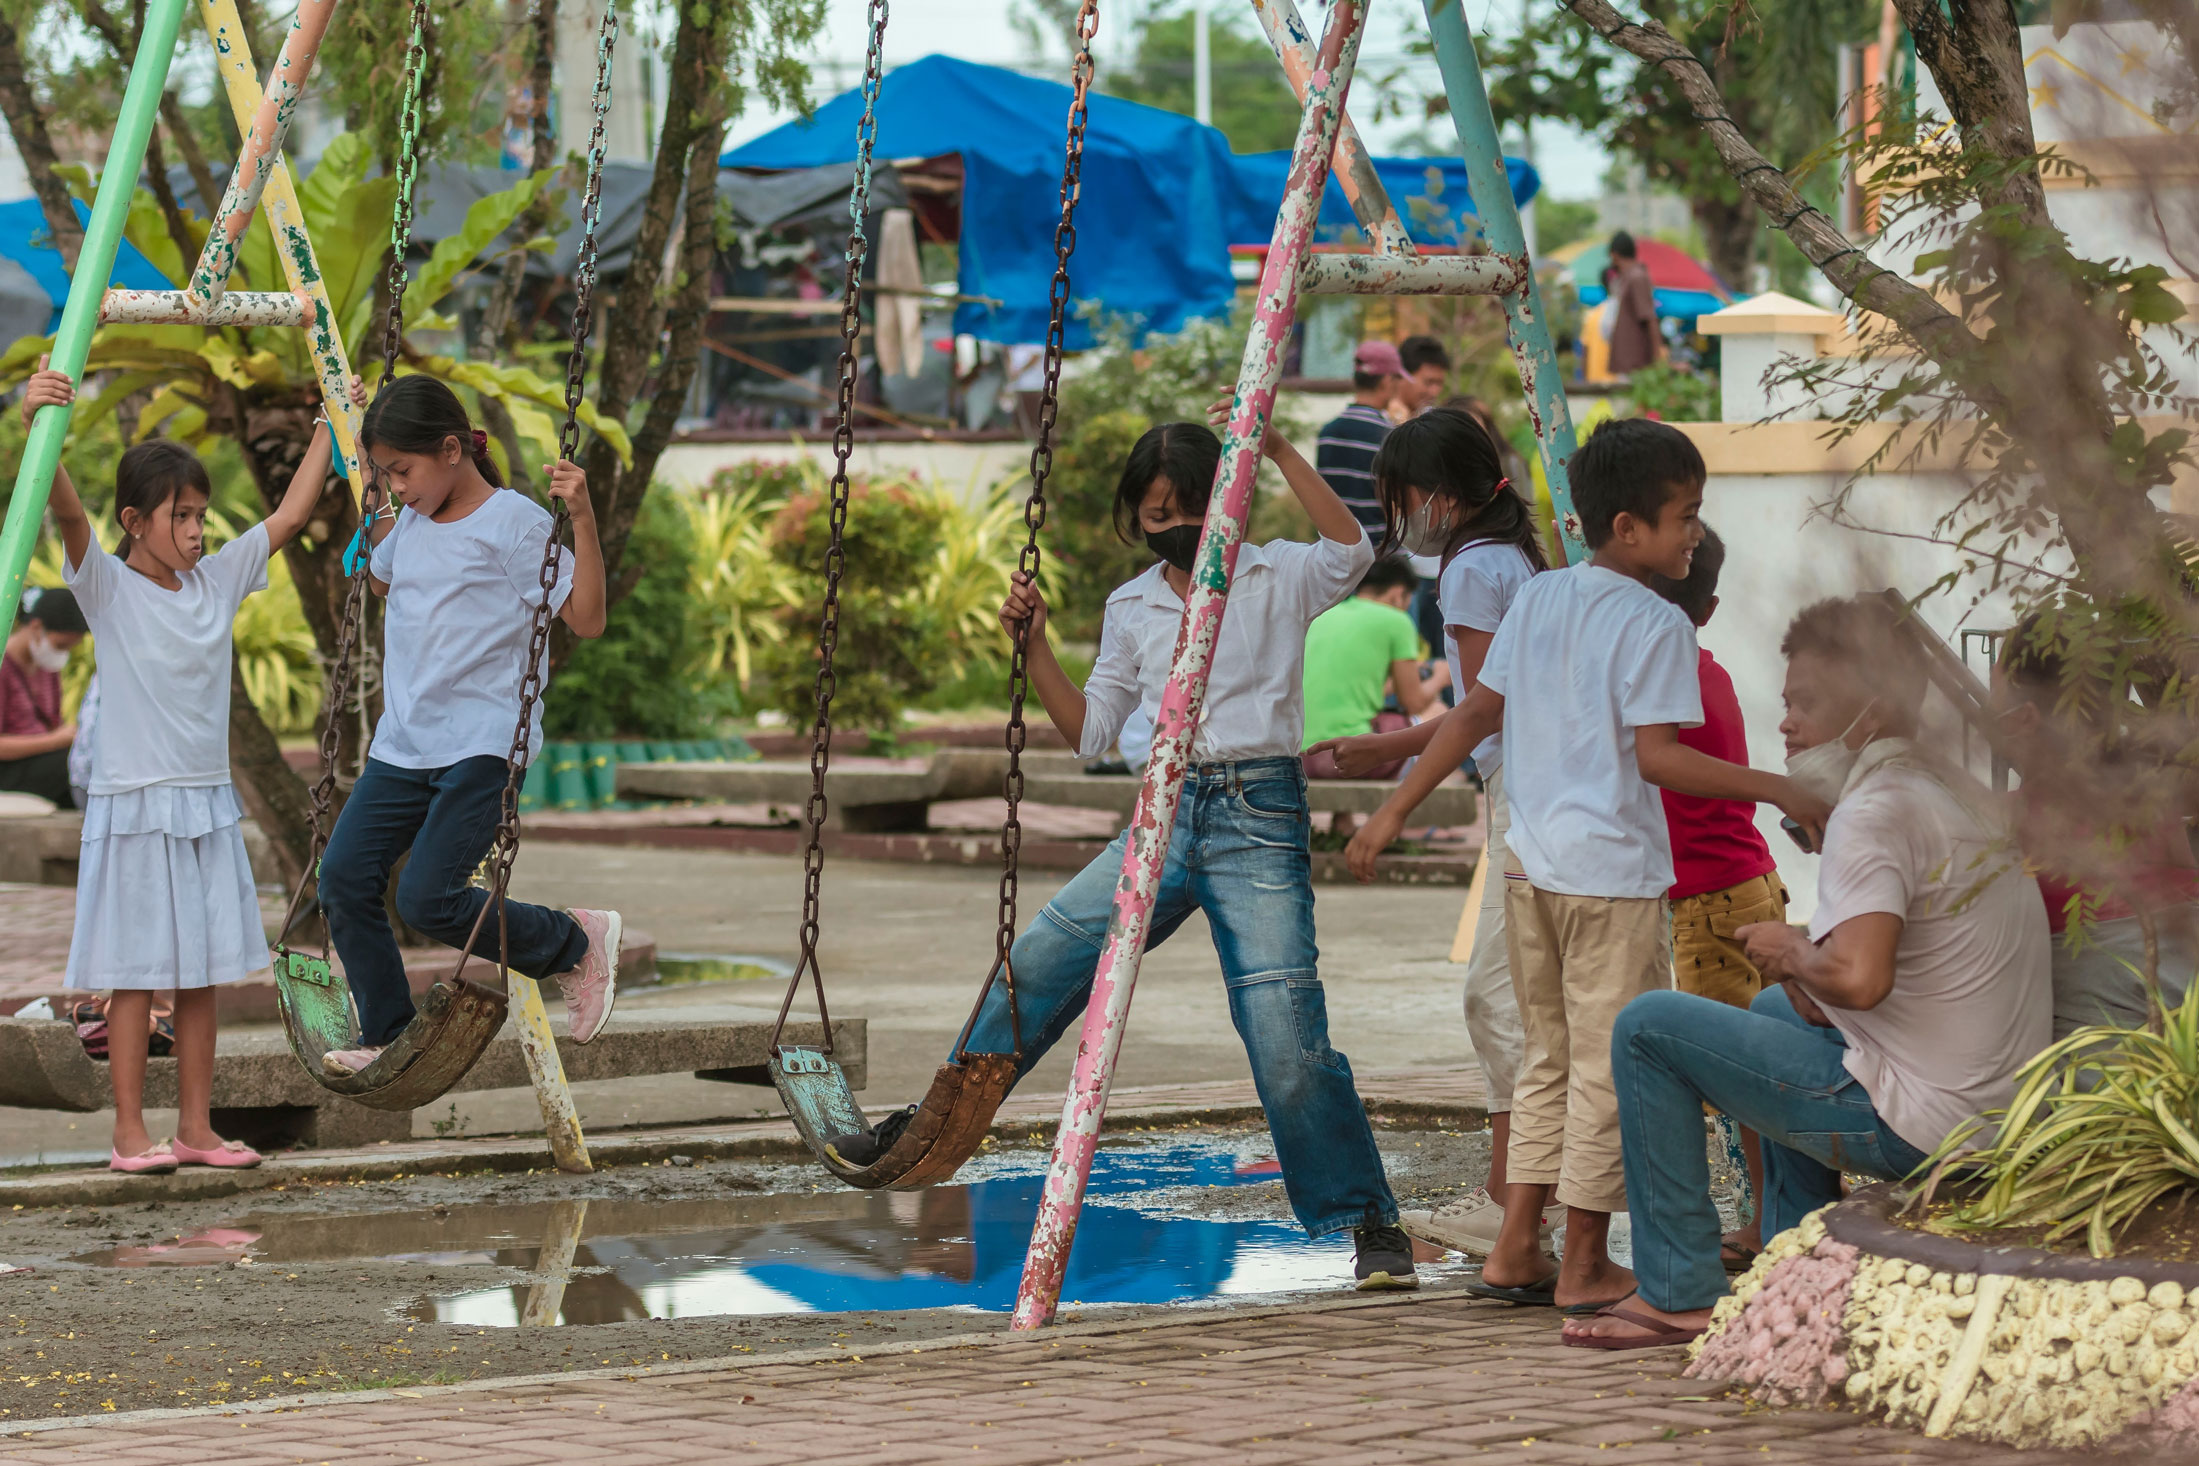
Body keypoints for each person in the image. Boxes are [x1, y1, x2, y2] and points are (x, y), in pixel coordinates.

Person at [825, 414, 1419, 1290]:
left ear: (1231, 500)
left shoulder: (1276, 571)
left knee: (1281, 1029)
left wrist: (1278, 449)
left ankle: (1366, 1220)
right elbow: (1093, 731)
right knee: (1035, 962)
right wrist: (1032, 652)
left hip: (1255, 814)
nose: (1172, 527)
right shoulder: (1131, 603)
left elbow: (1352, 549)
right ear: (1135, 520)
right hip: (1158, 816)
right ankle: (928, 1129)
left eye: (1191, 509)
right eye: (1153, 515)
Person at [1319, 418, 1830, 1314]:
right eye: (1686, 516)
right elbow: (1661, 760)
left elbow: (1476, 713)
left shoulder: (1543, 597)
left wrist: (1393, 808)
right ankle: (1585, 1261)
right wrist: (1781, 788)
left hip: (1529, 872)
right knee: (1601, 1062)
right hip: (1610, 879)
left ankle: (1519, 1244)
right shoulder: (1656, 623)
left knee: (1547, 1059)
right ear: (1628, 528)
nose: (1695, 535)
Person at [1566, 595, 2051, 1349]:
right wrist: (1794, 962)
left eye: (1808, 704)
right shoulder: (1948, 789)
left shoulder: (1873, 810)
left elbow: (1857, 983)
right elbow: (1826, 1008)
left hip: (1929, 1125)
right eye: (1787, 701)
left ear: (1875, 710)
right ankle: (1798, 1262)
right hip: (1996, 1110)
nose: (1786, 723)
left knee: (1644, 1028)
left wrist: (1793, 947)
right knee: (1771, 1010)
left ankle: (1675, 1293)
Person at [30, 363, 350, 1172]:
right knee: (135, 981)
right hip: (134, 806)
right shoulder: (105, 587)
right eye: (181, 516)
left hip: (205, 806)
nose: (198, 530)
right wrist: (46, 422)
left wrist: (327, 427)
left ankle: (197, 1129)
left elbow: (289, 513)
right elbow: (64, 508)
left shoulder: (216, 583)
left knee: (204, 977)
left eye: (202, 515)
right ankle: (130, 1134)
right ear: (135, 521)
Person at [319, 376, 622, 1077]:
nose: (397, 484)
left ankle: (574, 941)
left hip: (482, 747)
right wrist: (356, 457)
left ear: (452, 449)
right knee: (343, 877)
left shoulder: (513, 523)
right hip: (404, 745)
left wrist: (581, 519)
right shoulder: (414, 521)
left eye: (405, 470)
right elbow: (387, 577)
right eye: (388, 472)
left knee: (428, 897)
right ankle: (387, 1033)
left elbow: (586, 618)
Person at [1310, 407, 1550, 1258]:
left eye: (1398, 495)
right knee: (1517, 1003)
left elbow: (1484, 703)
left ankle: (1514, 1204)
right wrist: (1394, 746)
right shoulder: (1503, 555)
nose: (1394, 512)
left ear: (1440, 497)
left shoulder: (1474, 568)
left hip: (1527, 802)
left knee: (1497, 1001)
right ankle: (1520, 1203)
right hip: (1528, 791)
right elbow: (1486, 702)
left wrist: (1394, 807)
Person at [1648, 525, 1787, 1262]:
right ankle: (1771, 1209)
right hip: (1747, 885)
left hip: (1710, 902)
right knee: (1763, 1055)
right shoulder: (1710, 670)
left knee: (1739, 1072)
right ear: (1709, 609)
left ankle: (1764, 1218)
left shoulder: (1666, 688)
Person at [1995, 614, 2199, 1036]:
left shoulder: (2008, 820)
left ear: (2027, 717)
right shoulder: (2148, 792)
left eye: (1996, 703)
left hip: (2104, 1049)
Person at [1300, 555, 1447, 784]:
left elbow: (1355, 692)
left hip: (1303, 757)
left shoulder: (1325, 615)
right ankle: (1412, 813)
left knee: (1355, 716)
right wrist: (1441, 677)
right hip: (1348, 758)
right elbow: (1414, 703)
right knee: (1437, 712)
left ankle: (1343, 820)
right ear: (1399, 594)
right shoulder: (1396, 621)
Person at [0, 585, 85, 807]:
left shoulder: (47, 668)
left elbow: (53, 724)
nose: (62, 654)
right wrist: (55, 740)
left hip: (41, 765)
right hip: (9, 770)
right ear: (36, 627)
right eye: (61, 645)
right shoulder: (4, 666)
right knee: (76, 764)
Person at [1315, 340, 1406, 535]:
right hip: (1378, 552)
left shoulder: (1327, 433)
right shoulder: (1389, 437)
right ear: (1387, 381)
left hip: (1333, 550)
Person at [1603, 232, 1661, 376]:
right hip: (1627, 364)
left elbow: (1650, 319)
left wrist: (1658, 361)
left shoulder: (1637, 277)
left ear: (1614, 255)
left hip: (1636, 365)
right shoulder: (1626, 278)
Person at [1396, 335, 1452, 418]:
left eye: (1439, 383)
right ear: (1403, 376)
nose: (1434, 392)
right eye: (1429, 382)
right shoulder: (1382, 419)